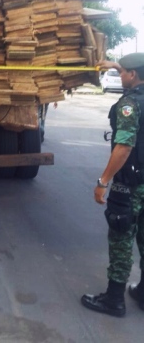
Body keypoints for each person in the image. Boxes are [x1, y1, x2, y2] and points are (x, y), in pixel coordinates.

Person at [81, 52, 144, 317]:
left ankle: (114, 300)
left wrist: (103, 181)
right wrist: (117, 63)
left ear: (133, 75)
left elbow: (124, 146)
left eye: (122, 72)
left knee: (121, 237)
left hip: (130, 183)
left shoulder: (130, 104)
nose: (120, 75)